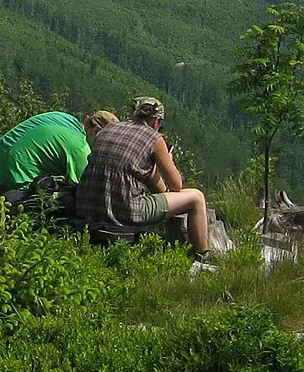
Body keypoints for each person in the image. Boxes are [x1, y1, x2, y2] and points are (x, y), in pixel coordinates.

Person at [78, 96, 214, 257]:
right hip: (124, 212)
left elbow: (125, 171)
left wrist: (151, 171)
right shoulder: (154, 138)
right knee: (196, 197)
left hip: (86, 207)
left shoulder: (108, 129)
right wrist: (167, 161)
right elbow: (176, 186)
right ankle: (202, 254)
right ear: (156, 121)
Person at [0, 110, 94, 191]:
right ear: (96, 131)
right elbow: (83, 188)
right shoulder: (80, 147)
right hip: (7, 184)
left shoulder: (64, 118)